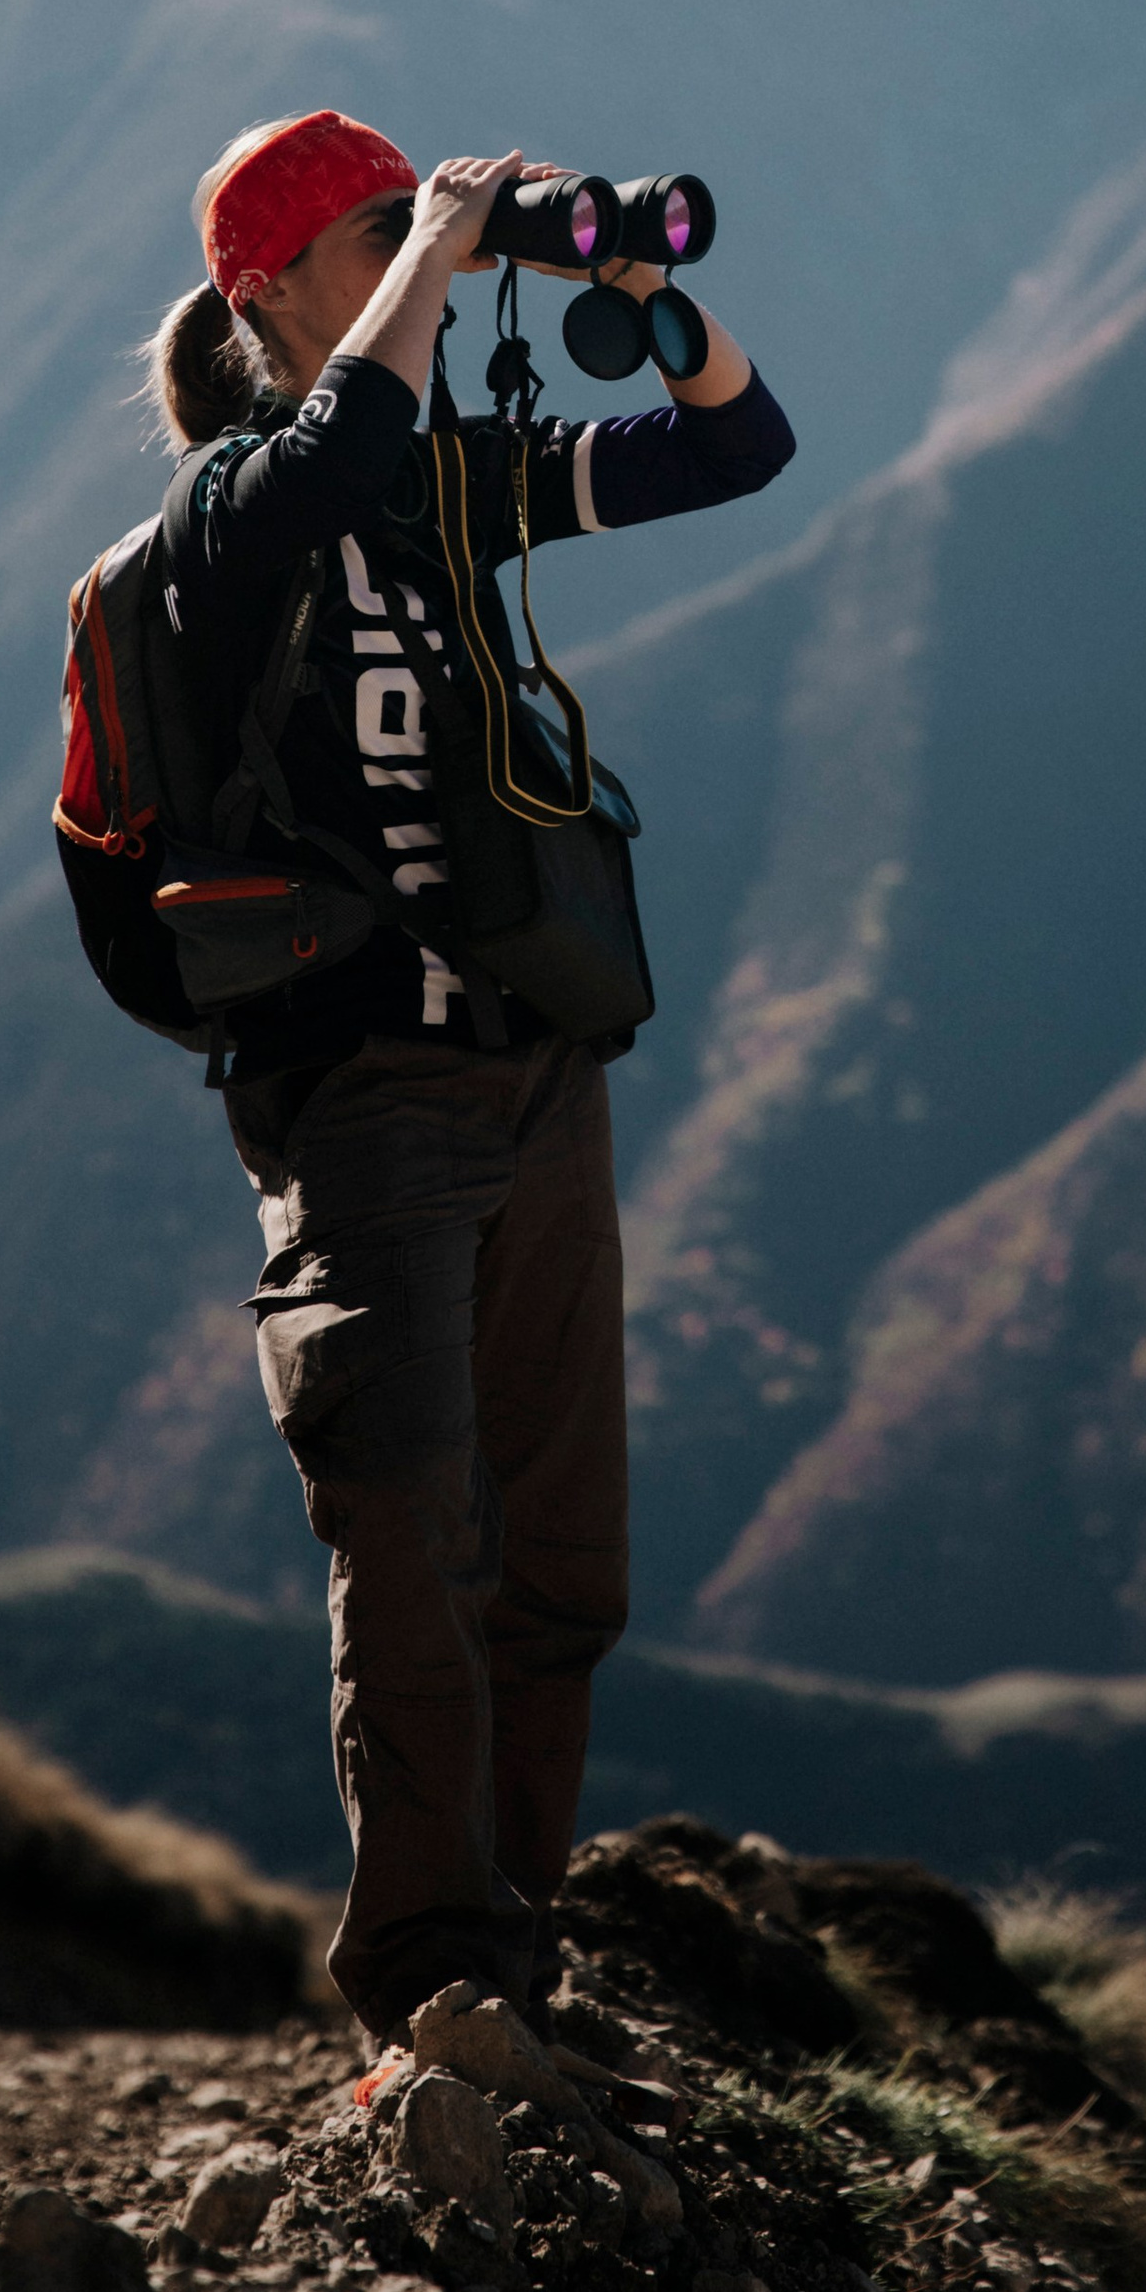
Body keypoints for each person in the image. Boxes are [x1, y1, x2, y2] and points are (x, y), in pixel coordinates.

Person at [141, 107, 793, 2048]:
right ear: (264, 301)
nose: (407, 258)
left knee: (556, 1549)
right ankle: (427, 1974)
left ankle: (516, 1938)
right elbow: (339, 445)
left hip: (527, 1059)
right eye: (359, 242)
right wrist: (439, 246)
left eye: (400, 228)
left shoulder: (434, 482)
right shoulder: (235, 517)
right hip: (362, 1094)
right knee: (409, 1534)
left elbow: (733, 453)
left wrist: (643, 305)